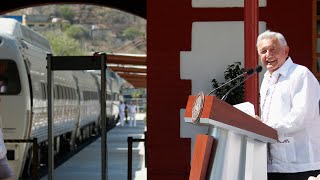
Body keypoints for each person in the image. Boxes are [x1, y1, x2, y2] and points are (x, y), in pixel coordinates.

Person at [255, 30, 320, 180]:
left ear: (286, 51)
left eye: (273, 50)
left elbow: (301, 117)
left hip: (300, 164)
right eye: (263, 51)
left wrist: (265, 126)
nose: (268, 55)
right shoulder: (266, 79)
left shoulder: (300, 74)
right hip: (272, 164)